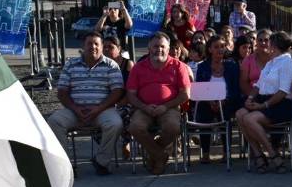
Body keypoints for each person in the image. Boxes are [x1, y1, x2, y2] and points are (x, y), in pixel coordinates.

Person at [47, 32, 125, 176]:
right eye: (89, 43)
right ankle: (65, 166)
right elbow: (62, 92)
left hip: (102, 110)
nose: (93, 47)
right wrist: (76, 109)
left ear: (101, 47)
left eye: (96, 44)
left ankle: (102, 161)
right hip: (74, 110)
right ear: (83, 46)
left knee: (115, 123)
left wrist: (98, 109)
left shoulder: (111, 65)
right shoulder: (70, 65)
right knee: (54, 121)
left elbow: (117, 92)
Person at [126, 32, 192, 175]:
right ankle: (160, 156)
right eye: (155, 46)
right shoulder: (138, 67)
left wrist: (165, 106)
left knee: (173, 127)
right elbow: (130, 95)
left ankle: (154, 155)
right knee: (135, 127)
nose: (159, 49)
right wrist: (144, 107)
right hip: (143, 107)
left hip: (170, 107)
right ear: (149, 48)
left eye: (162, 46)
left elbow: (185, 94)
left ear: (168, 49)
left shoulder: (179, 66)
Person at [235, 32, 292, 174]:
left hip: (280, 104)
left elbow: (283, 92)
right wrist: (250, 99)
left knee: (249, 119)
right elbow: (258, 85)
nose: (267, 46)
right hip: (264, 100)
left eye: (270, 43)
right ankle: (258, 154)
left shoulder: (287, 62)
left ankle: (272, 154)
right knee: (240, 114)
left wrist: (263, 106)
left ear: (276, 46)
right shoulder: (271, 62)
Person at [194, 36, 242, 164]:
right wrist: (210, 101)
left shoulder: (232, 65)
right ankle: (205, 153)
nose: (220, 49)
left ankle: (227, 153)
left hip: (227, 101)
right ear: (209, 49)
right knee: (204, 114)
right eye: (216, 47)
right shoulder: (203, 67)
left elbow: (235, 88)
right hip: (207, 101)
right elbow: (200, 87)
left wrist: (224, 100)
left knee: (225, 115)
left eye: (222, 46)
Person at [103, 35, 135, 160]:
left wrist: (122, 102)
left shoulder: (127, 64)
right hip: (107, 103)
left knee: (126, 115)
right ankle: (106, 148)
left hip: (125, 100)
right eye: (104, 47)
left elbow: (132, 88)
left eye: (110, 47)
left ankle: (126, 143)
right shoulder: (101, 64)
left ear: (119, 49)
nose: (106, 50)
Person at [239, 28, 272, 97]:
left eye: (266, 40)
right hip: (253, 98)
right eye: (260, 40)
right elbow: (243, 83)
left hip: (273, 98)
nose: (263, 43)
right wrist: (253, 98)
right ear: (256, 42)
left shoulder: (276, 59)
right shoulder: (248, 60)